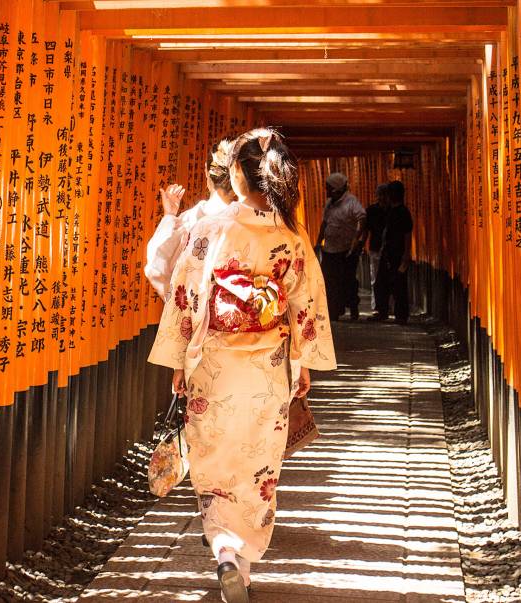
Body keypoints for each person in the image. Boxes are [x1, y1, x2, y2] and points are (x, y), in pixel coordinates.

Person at [148, 128, 337, 603]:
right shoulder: (289, 235)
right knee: (258, 467)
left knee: (213, 465)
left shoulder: (211, 229)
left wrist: (177, 361)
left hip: (212, 365)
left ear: (236, 173)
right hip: (268, 368)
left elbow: (186, 295)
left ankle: (225, 551)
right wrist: (303, 362)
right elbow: (304, 304)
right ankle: (243, 562)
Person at [145, 139, 236, 300]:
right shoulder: (252, 221)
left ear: (207, 171)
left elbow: (156, 266)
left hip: (191, 318)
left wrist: (176, 302)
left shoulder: (189, 221)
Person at [315, 172, 365, 321]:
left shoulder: (351, 201)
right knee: (329, 280)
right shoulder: (329, 203)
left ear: (337, 188)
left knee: (348, 280)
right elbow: (325, 223)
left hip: (346, 249)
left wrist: (356, 239)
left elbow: (362, 217)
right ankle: (334, 310)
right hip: (330, 249)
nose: (327, 191)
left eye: (328, 188)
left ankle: (353, 307)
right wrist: (319, 241)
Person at [370, 180, 413, 324]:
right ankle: (382, 312)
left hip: (398, 255)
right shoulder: (390, 210)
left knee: (399, 286)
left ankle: (401, 316)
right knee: (381, 283)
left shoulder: (403, 212)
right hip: (387, 253)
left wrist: (406, 255)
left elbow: (407, 234)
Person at [362, 183, 390, 310]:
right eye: (379, 195)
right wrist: (361, 244)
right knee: (375, 278)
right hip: (375, 247)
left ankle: (389, 304)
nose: (382, 198)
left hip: (390, 249)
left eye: (384, 195)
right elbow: (365, 230)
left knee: (389, 278)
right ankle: (376, 305)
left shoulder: (392, 210)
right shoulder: (371, 210)